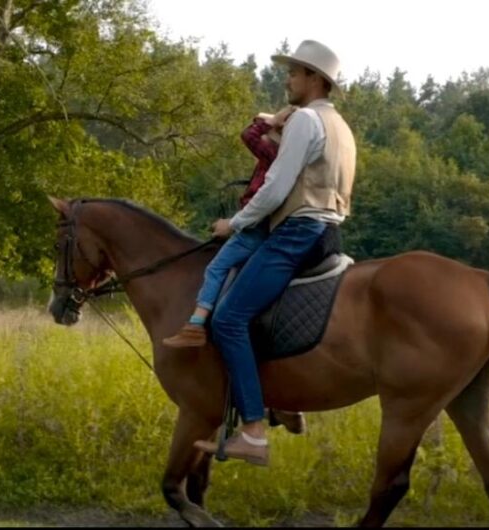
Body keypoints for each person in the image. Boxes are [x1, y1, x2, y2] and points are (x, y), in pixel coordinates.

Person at [192, 39, 358, 466]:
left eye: (295, 72)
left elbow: (276, 188)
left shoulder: (305, 120)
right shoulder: (340, 126)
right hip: (328, 231)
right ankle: (282, 398)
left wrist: (236, 223)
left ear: (315, 80)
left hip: (296, 231)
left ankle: (252, 431)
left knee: (228, 319)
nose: (287, 79)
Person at [162, 106, 296, 349]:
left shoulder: (272, 154)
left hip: (253, 228)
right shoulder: (282, 158)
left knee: (216, 267)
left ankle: (195, 324)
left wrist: (272, 120)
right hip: (261, 224)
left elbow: (249, 135)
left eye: (272, 130)